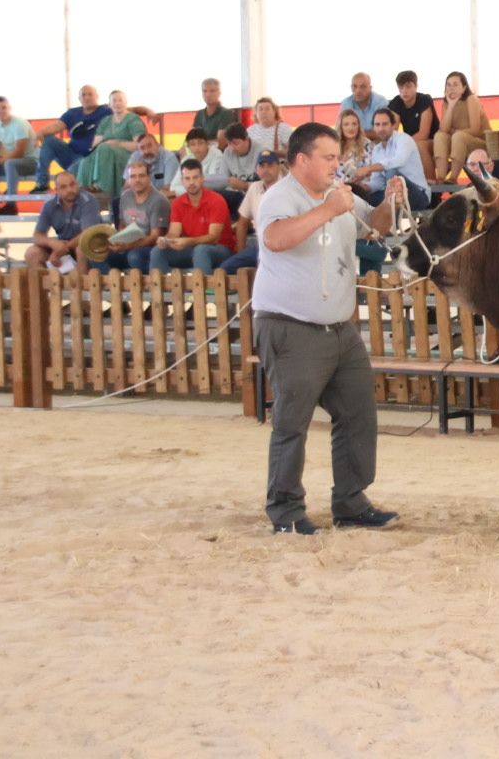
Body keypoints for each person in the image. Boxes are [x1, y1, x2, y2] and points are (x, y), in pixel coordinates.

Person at [253, 122, 406, 535]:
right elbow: (276, 239)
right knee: (292, 420)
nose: (337, 164)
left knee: (358, 411)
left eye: (338, 157)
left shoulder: (340, 195)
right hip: (290, 326)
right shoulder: (278, 197)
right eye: (329, 157)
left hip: (338, 327)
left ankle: (351, 502)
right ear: (302, 160)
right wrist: (327, 210)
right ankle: (284, 510)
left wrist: (390, 201)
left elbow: (376, 225)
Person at [151, 159, 235, 275]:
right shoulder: (177, 203)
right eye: (187, 178)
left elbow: (214, 237)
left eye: (195, 178)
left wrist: (187, 241)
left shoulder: (216, 200)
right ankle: (162, 289)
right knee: (157, 251)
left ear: (202, 178)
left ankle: (205, 290)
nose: (191, 182)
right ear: (182, 181)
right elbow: (174, 233)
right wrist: (166, 240)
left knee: (201, 250)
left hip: (219, 249)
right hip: (191, 248)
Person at [91, 157, 168, 274]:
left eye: (141, 176)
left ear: (149, 177)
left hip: (149, 248)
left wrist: (128, 246)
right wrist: (120, 240)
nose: (137, 180)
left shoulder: (158, 201)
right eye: (133, 176)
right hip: (128, 246)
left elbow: (155, 236)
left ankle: (147, 286)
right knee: (95, 255)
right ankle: (114, 285)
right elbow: (122, 224)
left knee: (134, 256)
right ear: (128, 179)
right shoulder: (126, 196)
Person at [31, 85, 110, 191]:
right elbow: (57, 125)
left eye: (90, 94)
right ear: (79, 98)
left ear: (97, 96)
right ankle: (42, 183)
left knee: (71, 175)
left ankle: (67, 181)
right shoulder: (72, 113)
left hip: (90, 159)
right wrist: (40, 132)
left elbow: (122, 109)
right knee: (49, 140)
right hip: (71, 155)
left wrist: (138, 109)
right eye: (83, 95)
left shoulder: (106, 110)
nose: (86, 97)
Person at [23, 171, 102, 271]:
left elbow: (87, 233)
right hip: (63, 246)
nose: (70, 189)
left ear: (77, 184)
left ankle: (79, 285)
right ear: (57, 190)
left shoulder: (88, 200)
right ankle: (46, 285)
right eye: (64, 187)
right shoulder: (49, 205)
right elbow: (37, 235)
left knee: (81, 249)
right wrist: (51, 243)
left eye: (72, 184)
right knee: (32, 253)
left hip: (89, 245)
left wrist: (60, 250)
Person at [355, 109, 431, 211]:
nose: (381, 128)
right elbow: (378, 182)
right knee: (361, 200)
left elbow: (397, 161)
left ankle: (392, 215)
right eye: (377, 125)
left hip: (417, 195)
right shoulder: (377, 150)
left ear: (393, 125)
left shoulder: (404, 139)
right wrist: (363, 188)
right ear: (373, 127)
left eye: (385, 124)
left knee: (393, 173)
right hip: (393, 195)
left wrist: (369, 168)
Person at [73, 89, 146, 195]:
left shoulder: (133, 120)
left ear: (126, 102)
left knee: (104, 148)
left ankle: (103, 186)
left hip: (129, 155)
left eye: (120, 100)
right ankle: (81, 188)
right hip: (105, 152)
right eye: (114, 101)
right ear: (109, 105)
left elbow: (140, 145)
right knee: (88, 156)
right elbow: (95, 144)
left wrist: (118, 143)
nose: (117, 103)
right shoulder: (106, 121)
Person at [221, 151, 282, 273]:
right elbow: (242, 222)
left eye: (270, 165)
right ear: (256, 169)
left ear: (279, 167)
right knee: (224, 269)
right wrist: (241, 250)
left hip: (282, 246)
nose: (266, 169)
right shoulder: (254, 187)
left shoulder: (287, 188)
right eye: (262, 166)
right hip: (259, 245)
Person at [432, 70, 490, 183]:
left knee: (458, 136)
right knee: (439, 136)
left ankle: (453, 178)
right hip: (457, 141)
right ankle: (441, 177)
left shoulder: (471, 99)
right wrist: (451, 106)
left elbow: (475, 129)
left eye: (455, 84)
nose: (451, 88)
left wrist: (455, 132)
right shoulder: (446, 104)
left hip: (480, 143)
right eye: (448, 85)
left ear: (464, 88)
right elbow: (443, 130)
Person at [387, 70, 436, 181]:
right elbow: (392, 130)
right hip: (411, 141)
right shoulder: (396, 102)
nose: (404, 91)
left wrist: (404, 143)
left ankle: (432, 185)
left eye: (408, 87)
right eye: (401, 87)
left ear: (416, 86)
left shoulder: (424, 100)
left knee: (420, 146)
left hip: (433, 141)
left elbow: (424, 133)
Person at [214, 123, 257, 214]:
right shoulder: (228, 152)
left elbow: (268, 186)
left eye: (235, 143)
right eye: (229, 143)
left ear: (246, 139)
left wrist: (244, 185)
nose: (232, 148)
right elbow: (222, 179)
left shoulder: (261, 152)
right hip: (235, 195)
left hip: (255, 197)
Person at [126, 132, 179, 197]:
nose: (147, 151)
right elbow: (127, 185)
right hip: (140, 197)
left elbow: (168, 188)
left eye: (150, 146)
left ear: (158, 145)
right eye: (142, 148)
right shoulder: (135, 157)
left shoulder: (169, 158)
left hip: (162, 198)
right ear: (138, 150)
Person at [339, 73, 387, 139]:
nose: (358, 90)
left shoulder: (380, 102)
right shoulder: (346, 103)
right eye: (354, 86)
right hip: (354, 144)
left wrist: (355, 133)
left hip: (378, 144)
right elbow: (340, 131)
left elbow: (384, 132)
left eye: (363, 87)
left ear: (370, 88)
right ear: (351, 87)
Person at [191, 77, 239, 143]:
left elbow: (221, 143)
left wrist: (198, 144)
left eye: (212, 91)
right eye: (204, 91)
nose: (208, 94)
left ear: (219, 93)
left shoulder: (226, 113)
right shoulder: (200, 114)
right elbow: (192, 138)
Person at [335, 110, 372, 187]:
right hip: (335, 189)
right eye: (346, 124)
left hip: (358, 189)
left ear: (358, 126)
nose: (351, 128)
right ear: (341, 127)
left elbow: (371, 172)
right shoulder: (334, 146)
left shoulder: (367, 145)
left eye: (354, 124)